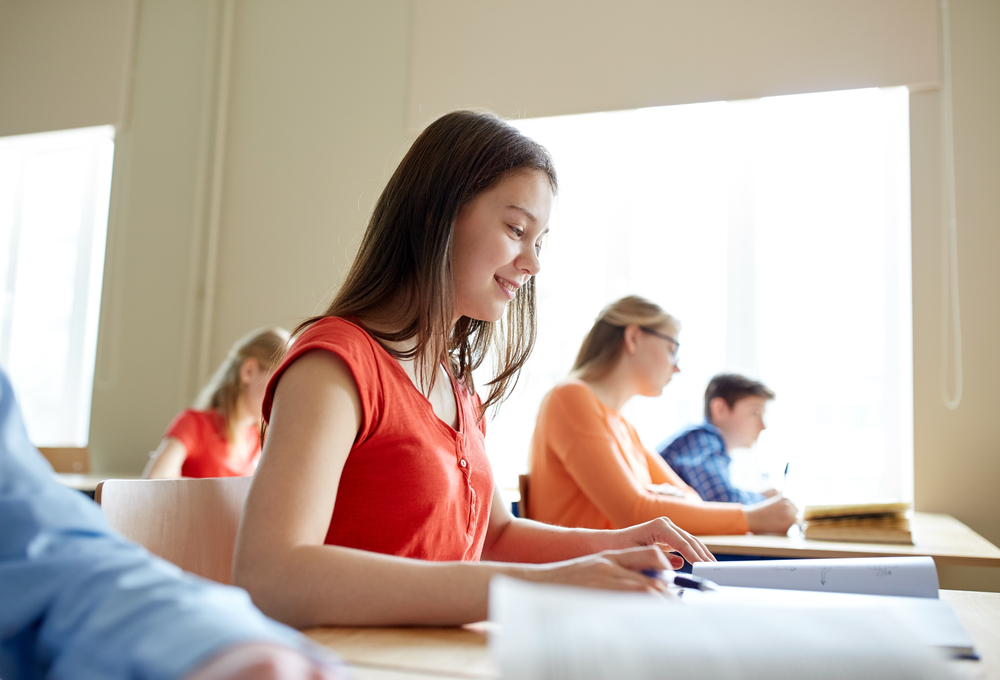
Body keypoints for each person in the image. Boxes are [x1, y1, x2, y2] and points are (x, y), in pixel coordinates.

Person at [232, 110, 716, 630]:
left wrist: (618, 544)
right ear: (438, 216)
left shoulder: (456, 386)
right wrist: (547, 586)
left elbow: (495, 537)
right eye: (515, 229)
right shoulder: (333, 364)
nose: (532, 264)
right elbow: (270, 575)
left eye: (539, 240)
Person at [0, 367, 347, 680]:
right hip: (185, 555)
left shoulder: (254, 437)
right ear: (249, 371)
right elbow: (159, 478)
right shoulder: (196, 423)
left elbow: (47, 553)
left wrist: (212, 643)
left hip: (203, 592)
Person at [528, 296, 798, 537]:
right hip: (578, 582)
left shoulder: (622, 425)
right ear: (633, 338)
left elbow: (691, 499)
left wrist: (654, 502)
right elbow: (635, 512)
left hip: (615, 574)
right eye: (672, 349)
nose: (677, 367)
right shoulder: (570, 398)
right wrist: (751, 518)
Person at [144, 327, 289, 479]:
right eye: (278, 382)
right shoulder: (193, 425)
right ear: (249, 371)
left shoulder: (264, 439)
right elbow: (155, 480)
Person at [658, 373, 778, 504]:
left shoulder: (705, 443)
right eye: (754, 413)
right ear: (720, 409)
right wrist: (765, 499)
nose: (763, 426)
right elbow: (721, 500)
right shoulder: (702, 440)